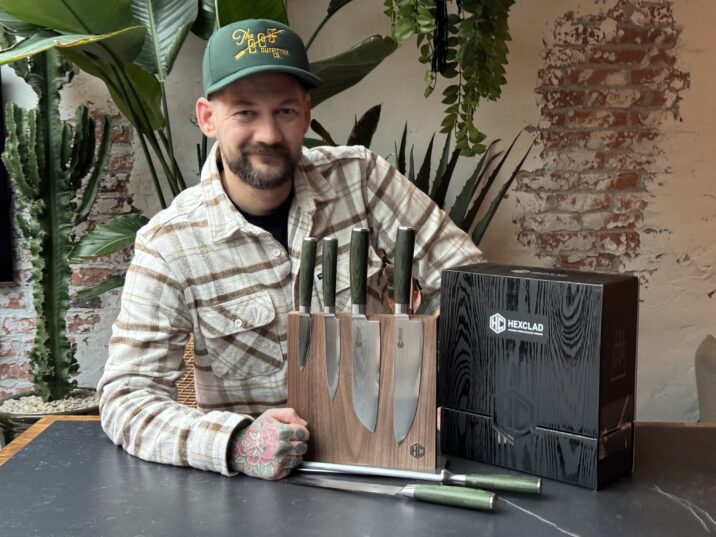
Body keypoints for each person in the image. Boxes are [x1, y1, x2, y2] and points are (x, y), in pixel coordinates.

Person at [98, 19, 484, 480]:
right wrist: (236, 443)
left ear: (305, 111)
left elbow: (471, 285)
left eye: (283, 110)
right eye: (244, 112)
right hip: (260, 493)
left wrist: (439, 387)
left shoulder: (360, 180)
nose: (268, 133)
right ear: (207, 118)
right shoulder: (170, 244)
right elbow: (126, 398)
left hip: (391, 464)